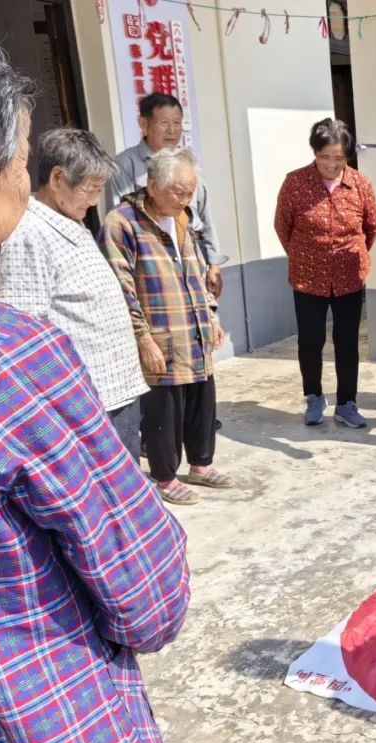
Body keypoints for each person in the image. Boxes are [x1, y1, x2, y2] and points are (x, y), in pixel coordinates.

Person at [0, 30, 189, 743]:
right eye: (17, 157)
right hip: (46, 741)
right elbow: (149, 592)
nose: (21, 174)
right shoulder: (10, 362)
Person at [0, 127, 149, 457]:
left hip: (114, 392)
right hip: (85, 407)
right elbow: (23, 334)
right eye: (90, 189)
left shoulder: (70, 220)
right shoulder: (29, 234)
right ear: (57, 179)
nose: (94, 201)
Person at [101, 147, 232, 505]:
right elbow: (121, 286)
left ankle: (201, 465)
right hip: (159, 333)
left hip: (194, 327)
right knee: (164, 410)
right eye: (179, 192)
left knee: (202, 400)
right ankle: (165, 477)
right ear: (154, 186)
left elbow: (197, 271)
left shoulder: (183, 218)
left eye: (190, 193)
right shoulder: (121, 223)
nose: (186, 200)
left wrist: (211, 315)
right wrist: (142, 338)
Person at [275, 117, 376, 427]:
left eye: (339, 157)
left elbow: (372, 227)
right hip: (308, 278)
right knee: (310, 341)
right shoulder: (295, 183)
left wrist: (354, 255)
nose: (332, 164)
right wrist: (305, 256)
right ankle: (314, 396)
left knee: (347, 342)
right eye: (325, 157)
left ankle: (347, 403)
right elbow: (283, 227)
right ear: (315, 153)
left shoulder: (360, 184)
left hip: (349, 277)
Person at [108, 92, 227, 298]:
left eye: (177, 123)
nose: (172, 130)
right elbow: (119, 226)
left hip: (194, 260)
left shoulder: (187, 164)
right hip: (154, 266)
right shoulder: (124, 166)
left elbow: (205, 217)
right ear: (144, 124)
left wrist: (214, 265)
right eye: (164, 123)